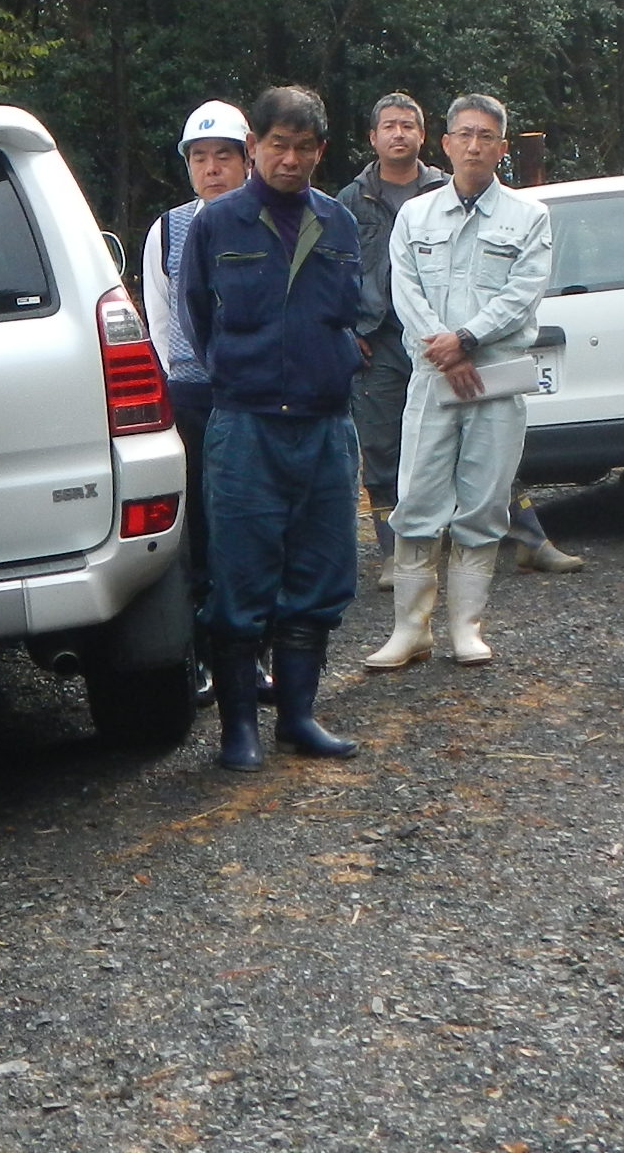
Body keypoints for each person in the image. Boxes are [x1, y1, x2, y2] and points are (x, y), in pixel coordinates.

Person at [177, 85, 366, 768]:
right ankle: (238, 731)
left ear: (321, 150)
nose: (290, 159)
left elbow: (349, 315)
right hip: (246, 426)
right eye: (278, 145)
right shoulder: (217, 225)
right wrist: (247, 373)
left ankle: (298, 718)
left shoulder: (338, 223)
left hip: (324, 428)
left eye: (304, 147)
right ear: (255, 146)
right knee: (239, 579)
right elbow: (197, 316)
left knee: (320, 575)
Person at [363, 95, 554, 670]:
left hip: (495, 375)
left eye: (487, 136)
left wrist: (467, 339)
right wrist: (444, 348)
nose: (475, 146)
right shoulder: (415, 217)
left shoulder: (529, 217)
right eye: (464, 135)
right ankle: (409, 629)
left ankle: (466, 628)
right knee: (418, 498)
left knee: (484, 500)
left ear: (502, 146)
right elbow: (405, 289)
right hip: (431, 377)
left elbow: (524, 290)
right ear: (444, 144)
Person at [146, 101, 252, 658]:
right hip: (191, 397)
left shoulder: (271, 218)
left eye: (223, 157)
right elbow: (160, 326)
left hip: (257, 397)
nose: (212, 169)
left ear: (246, 159)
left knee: (255, 525)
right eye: (200, 158)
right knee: (201, 529)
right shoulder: (167, 229)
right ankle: (206, 654)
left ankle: (257, 653)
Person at [339, 94, 437, 568]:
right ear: (373, 137)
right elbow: (332, 271)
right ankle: (395, 554)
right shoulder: (349, 201)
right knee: (380, 447)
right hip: (377, 338)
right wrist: (347, 328)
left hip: (440, 337)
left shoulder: (446, 190)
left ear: (423, 134)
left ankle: (523, 539)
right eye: (389, 126)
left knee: (465, 436)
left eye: (408, 125)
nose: (399, 133)